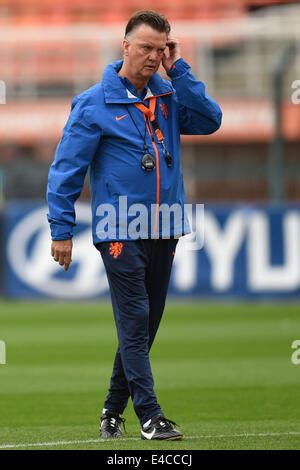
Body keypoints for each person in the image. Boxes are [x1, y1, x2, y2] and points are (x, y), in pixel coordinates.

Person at [47, 10, 222, 441]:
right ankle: (150, 415)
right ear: (125, 46)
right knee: (135, 317)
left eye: (160, 48)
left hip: (164, 225)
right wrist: (60, 228)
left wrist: (178, 69)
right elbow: (66, 170)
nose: (152, 55)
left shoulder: (170, 94)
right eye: (145, 47)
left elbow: (210, 120)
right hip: (118, 227)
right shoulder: (93, 103)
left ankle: (111, 412)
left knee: (146, 324)